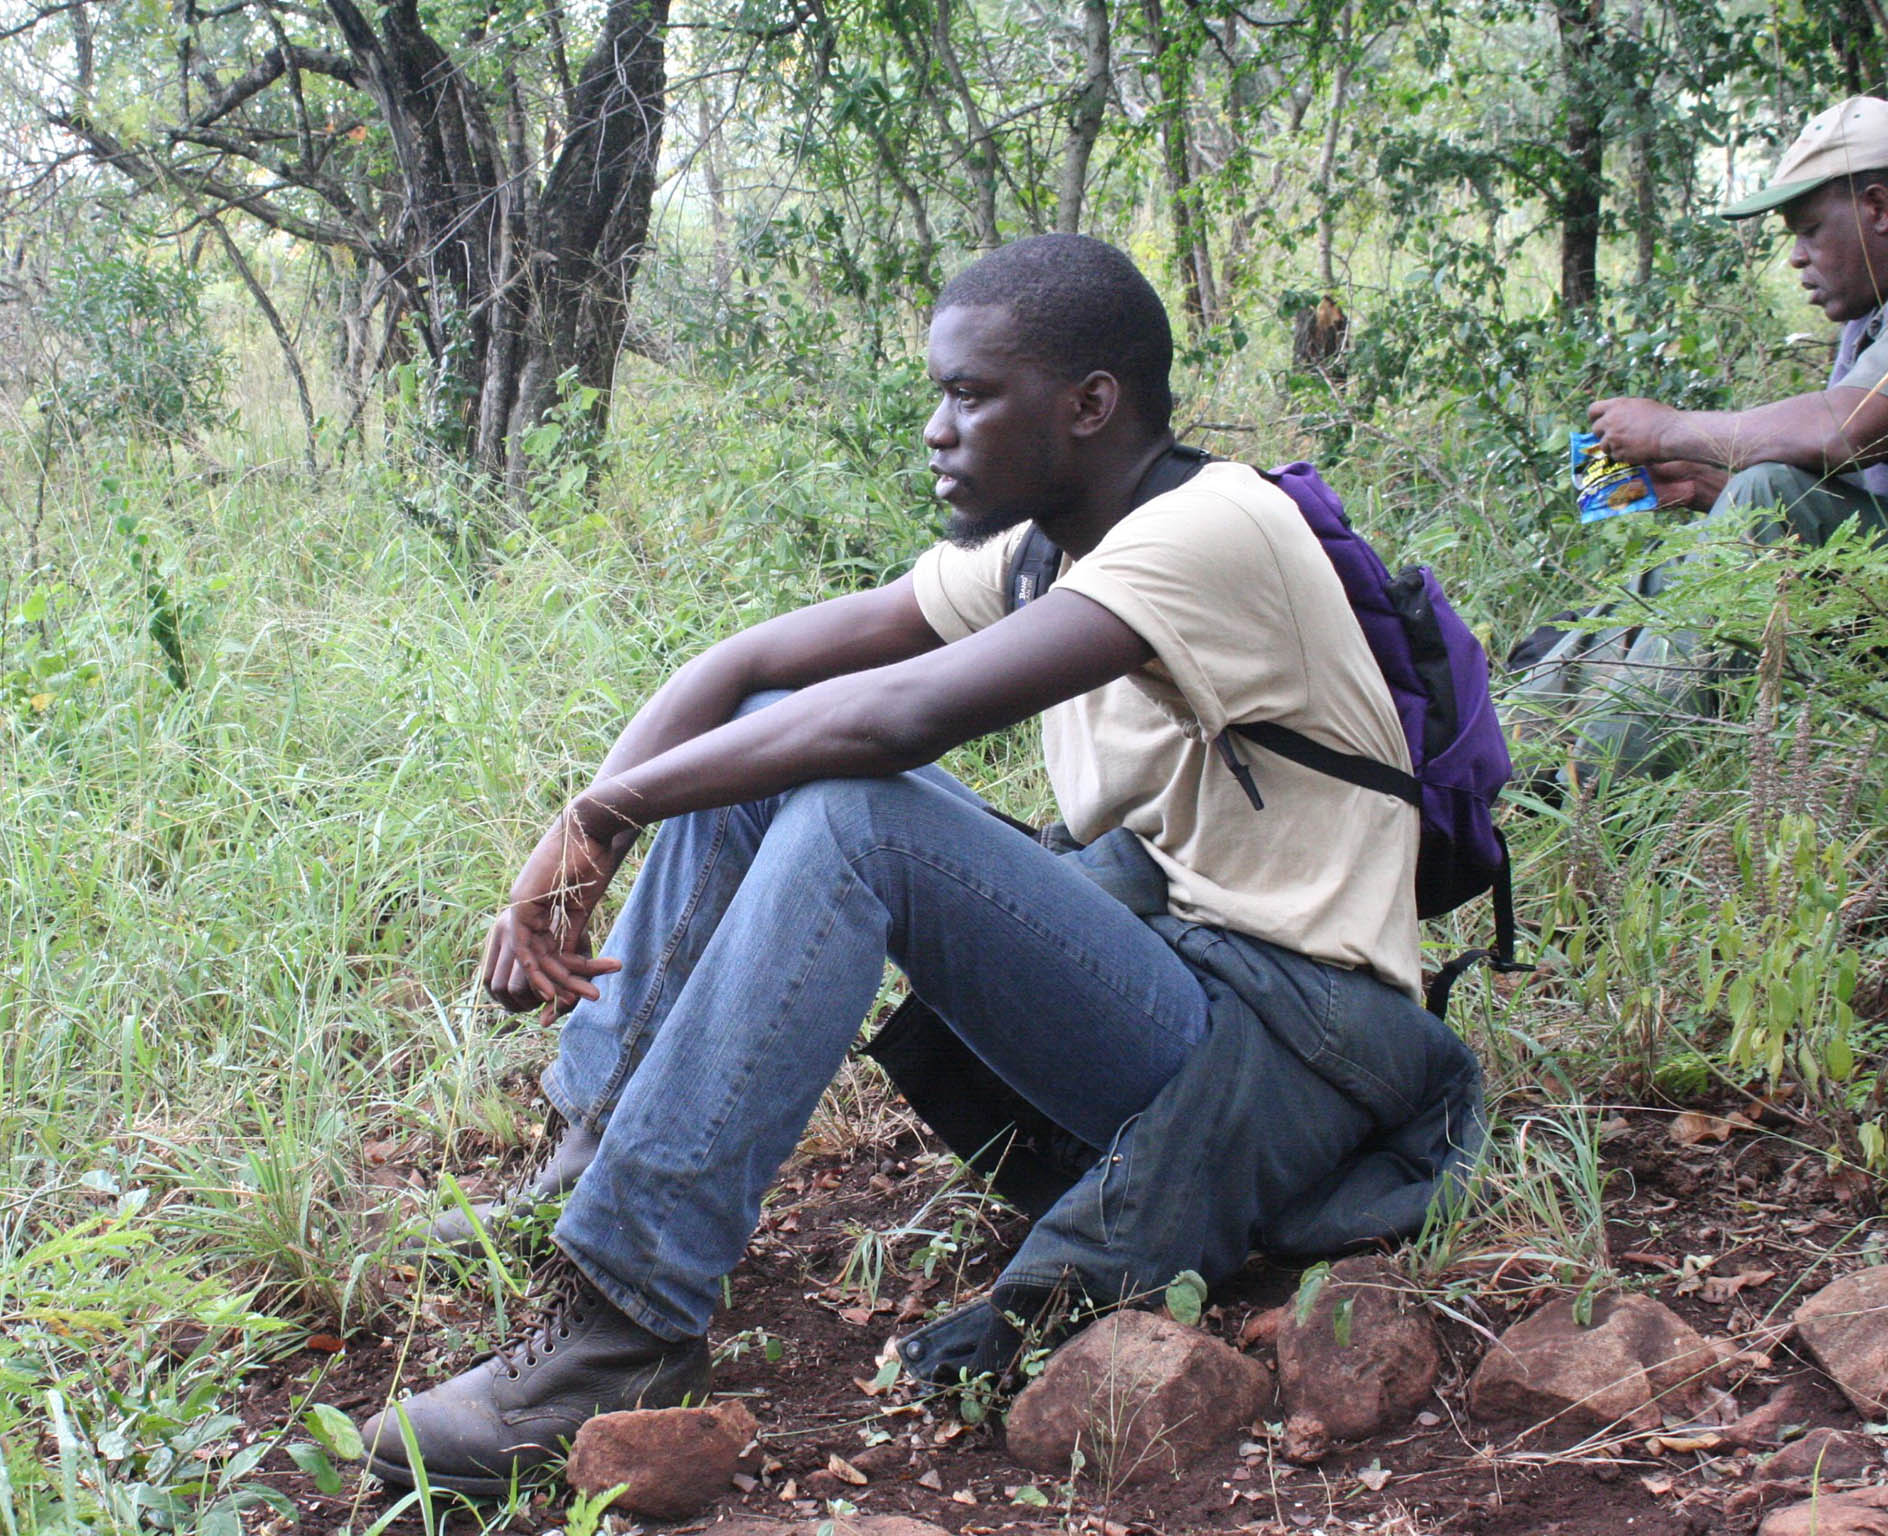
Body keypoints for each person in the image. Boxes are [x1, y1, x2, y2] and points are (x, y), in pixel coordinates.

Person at [356, 234, 1481, 1496]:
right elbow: (744, 672)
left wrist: (611, 810)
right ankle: (590, 1149)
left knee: (855, 806)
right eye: (936, 395)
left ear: (1088, 403)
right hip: (1175, 979)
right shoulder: (1048, 543)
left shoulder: (1213, 528)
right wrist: (570, 834)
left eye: (969, 395)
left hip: (1281, 1048)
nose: (937, 429)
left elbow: (894, 722)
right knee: (763, 746)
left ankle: (623, 1328)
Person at [1515, 96, 1888, 778]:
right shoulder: (1871, 328)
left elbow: (1844, 433)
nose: (1799, 259)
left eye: (1809, 230)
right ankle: (1503, 756)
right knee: (1706, 535)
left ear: (1878, 208)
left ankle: (1598, 802)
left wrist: (1668, 430)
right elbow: (1856, 501)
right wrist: (1697, 481)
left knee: (1767, 488)